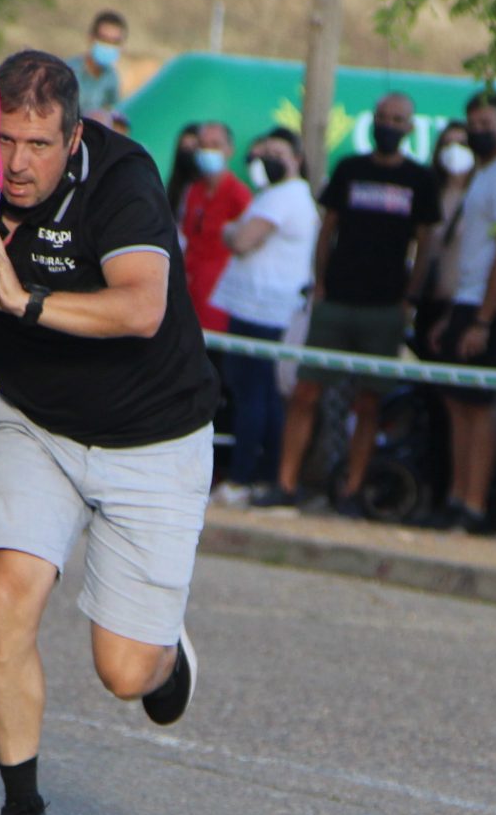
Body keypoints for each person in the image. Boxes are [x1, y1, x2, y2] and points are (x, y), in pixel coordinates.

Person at [0, 51, 213, 815]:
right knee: (5, 594)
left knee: (124, 671)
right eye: (3, 139)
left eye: (37, 144)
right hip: (35, 424)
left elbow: (143, 307)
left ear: (75, 137)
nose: (15, 163)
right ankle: (21, 814)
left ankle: (167, 652)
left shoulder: (123, 177)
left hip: (154, 435)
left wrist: (24, 301)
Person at [263, 93, 440, 512]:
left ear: (409, 127)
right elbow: (328, 230)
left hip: (384, 308)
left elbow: (425, 244)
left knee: (369, 401)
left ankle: (353, 491)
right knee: (306, 392)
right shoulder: (349, 169)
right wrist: (320, 282)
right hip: (336, 300)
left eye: (397, 119)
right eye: (382, 117)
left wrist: (408, 299)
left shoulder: (420, 179)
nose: (388, 125)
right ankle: (286, 484)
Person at [435, 89, 496, 532]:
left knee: (478, 403)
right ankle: (457, 494)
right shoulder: (483, 174)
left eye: (487, 126)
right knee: (457, 401)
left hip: (495, 304)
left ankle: (475, 504)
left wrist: (483, 321)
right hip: (470, 298)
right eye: (473, 126)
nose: (479, 133)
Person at [206, 126, 317, 499]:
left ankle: (244, 478)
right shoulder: (276, 195)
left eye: (278, 152)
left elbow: (240, 240)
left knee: (254, 396)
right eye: (264, 151)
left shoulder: (283, 197)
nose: (268, 159)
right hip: (259, 309)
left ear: (297, 159)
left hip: (265, 313)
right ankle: (261, 477)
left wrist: (230, 230)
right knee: (261, 395)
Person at [409, 119, 476, 359]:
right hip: (426, 297)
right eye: (448, 144)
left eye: (462, 143)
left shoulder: (479, 194)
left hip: (461, 300)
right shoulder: (430, 192)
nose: (455, 150)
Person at [174, 121, 247, 335]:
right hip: (189, 286)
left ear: (229, 150)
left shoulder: (238, 194)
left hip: (219, 294)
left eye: (215, 145)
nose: (208, 151)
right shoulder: (193, 190)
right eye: (203, 145)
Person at [67, 10, 127, 115]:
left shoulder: (111, 77)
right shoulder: (69, 72)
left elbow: (111, 112)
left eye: (114, 42)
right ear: (91, 38)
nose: (108, 46)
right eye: (104, 39)